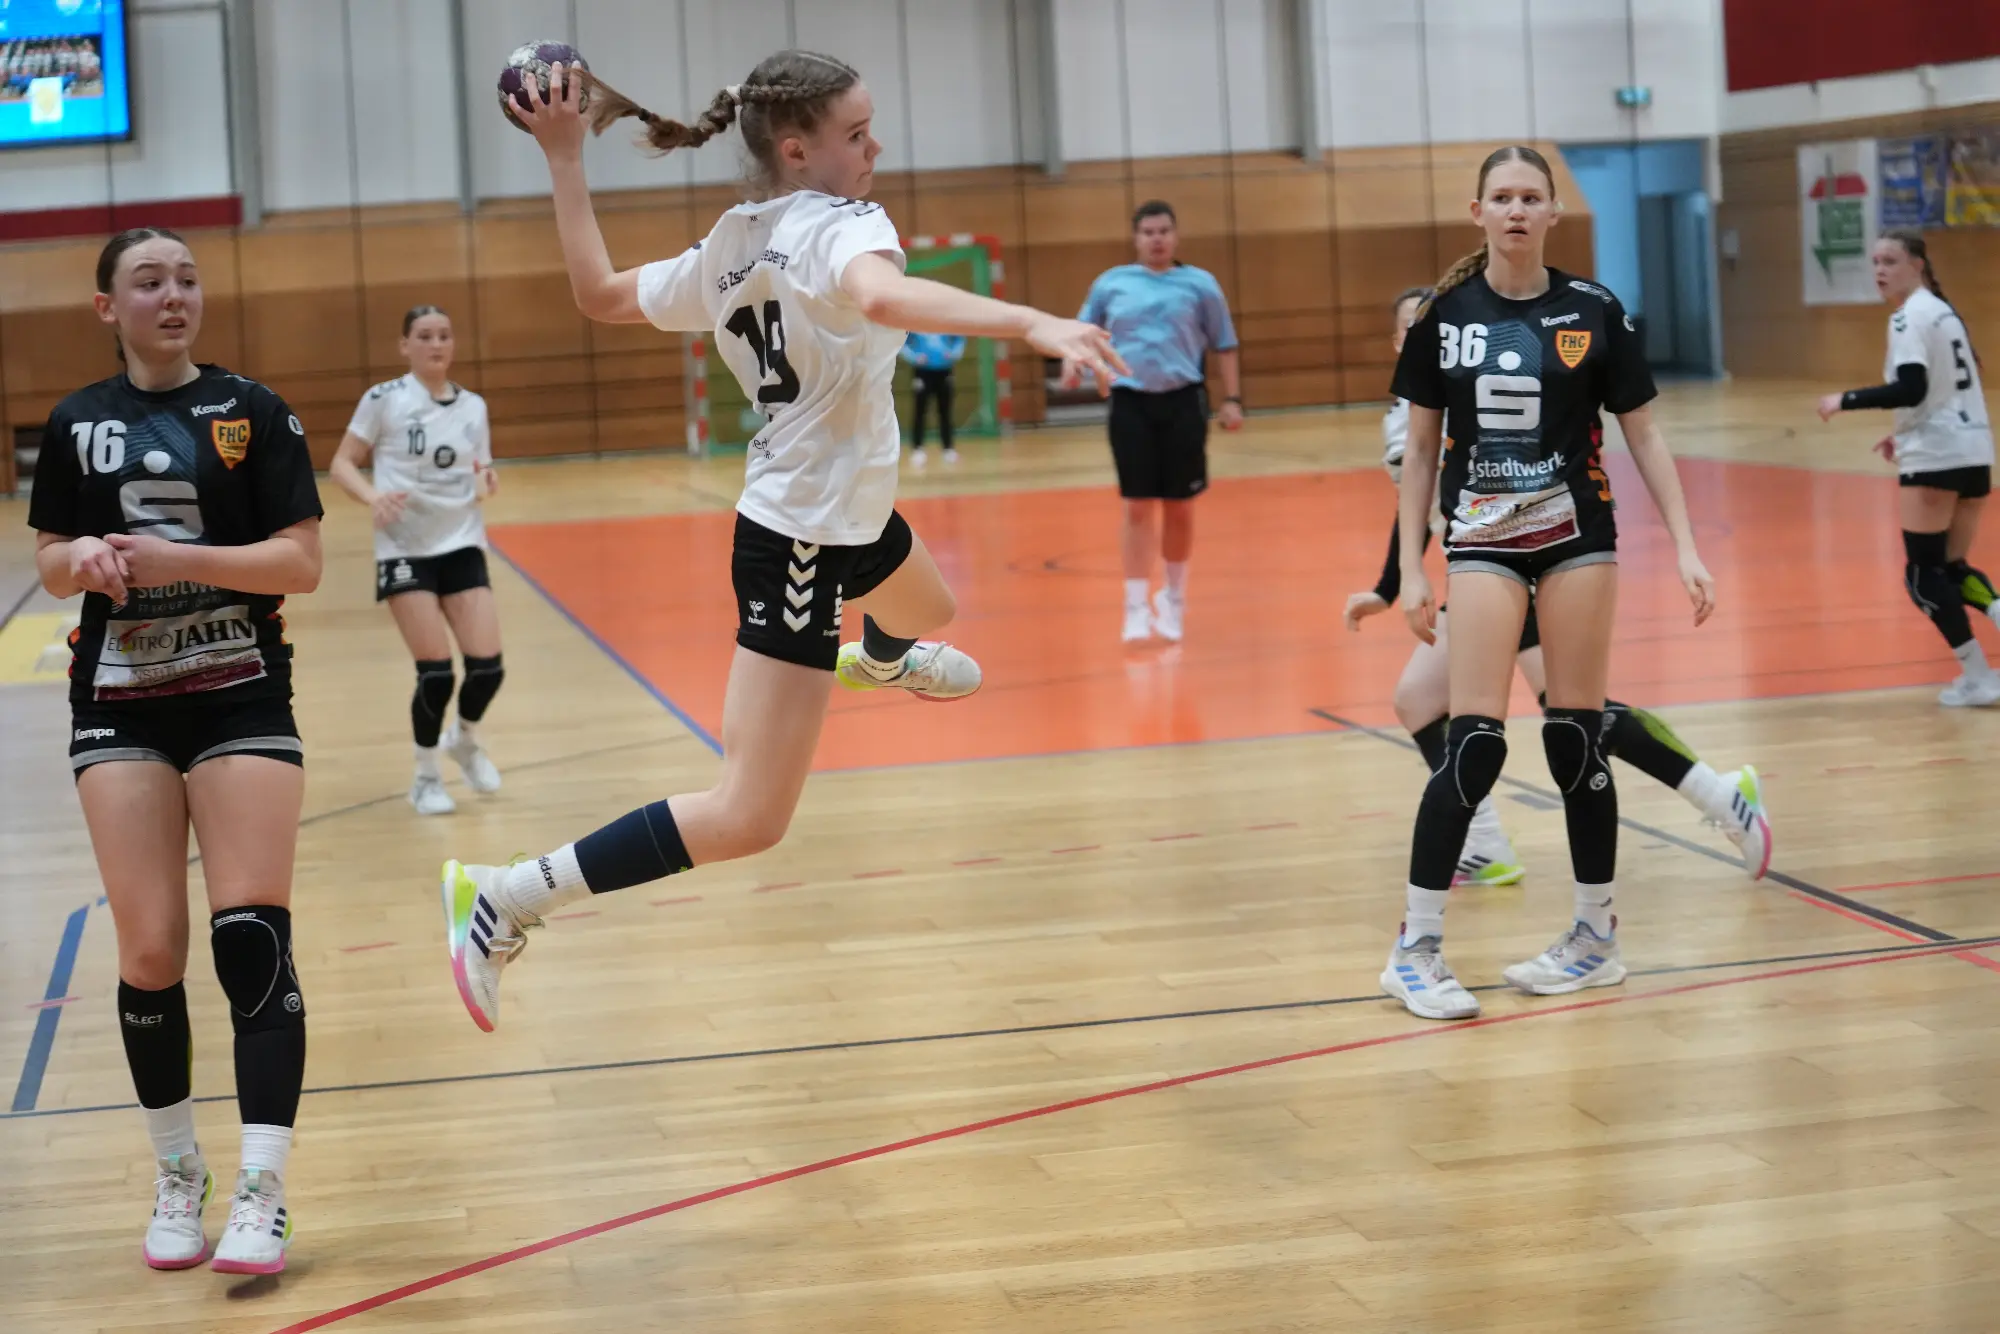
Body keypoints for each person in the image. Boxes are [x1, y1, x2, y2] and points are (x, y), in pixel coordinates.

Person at [438, 51, 1126, 1032]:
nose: (875, 148)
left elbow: (598, 293)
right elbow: (881, 297)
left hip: (847, 512)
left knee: (928, 607)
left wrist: (563, 158)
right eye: (857, 133)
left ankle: (875, 660)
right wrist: (1030, 323)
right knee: (747, 814)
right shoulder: (843, 224)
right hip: (804, 537)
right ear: (797, 150)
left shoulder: (730, 244)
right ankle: (506, 896)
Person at [29, 227, 322, 1272]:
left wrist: (176, 559)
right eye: (148, 281)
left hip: (240, 690)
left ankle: (262, 1190)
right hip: (121, 701)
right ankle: (177, 1172)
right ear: (108, 306)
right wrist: (83, 556)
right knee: (150, 951)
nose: (173, 295)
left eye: (187, 279)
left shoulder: (254, 409)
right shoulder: (77, 422)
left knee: (250, 937)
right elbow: (49, 562)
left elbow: (301, 562)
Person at [1374, 146, 1718, 1022]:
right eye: (1503, 197)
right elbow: (1421, 450)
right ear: (1479, 213)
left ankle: (1595, 938)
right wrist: (1409, 569)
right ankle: (1415, 950)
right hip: (1484, 543)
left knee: (1574, 737)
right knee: (1475, 742)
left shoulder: (1595, 310)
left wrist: (1685, 545)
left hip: (1579, 539)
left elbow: (1645, 434)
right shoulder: (1445, 317)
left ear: (1554, 212)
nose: (1517, 210)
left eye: (1532, 197)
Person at [1346, 287, 1770, 888]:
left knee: (1577, 717)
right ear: (1400, 342)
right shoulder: (1407, 414)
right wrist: (1389, 588)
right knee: (1420, 699)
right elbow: (1418, 510)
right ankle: (1485, 843)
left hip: (1513, 566)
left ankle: (1721, 796)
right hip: (1475, 573)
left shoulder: (1466, 394)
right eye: (1412, 327)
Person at [329, 305, 505, 814]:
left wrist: (487, 479)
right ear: (405, 345)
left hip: (462, 541)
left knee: (488, 669)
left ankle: (464, 740)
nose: (436, 344)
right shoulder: (383, 399)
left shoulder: (473, 406)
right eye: (424, 336)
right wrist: (372, 497)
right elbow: (342, 464)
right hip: (405, 547)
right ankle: (426, 776)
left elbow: (481, 467)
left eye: (444, 335)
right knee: (437, 674)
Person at [1817, 229, 1998, 708]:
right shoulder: (1943, 311)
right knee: (1951, 569)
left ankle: (1979, 677)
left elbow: (1912, 388)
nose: (1880, 270)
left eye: (1891, 261)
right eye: (1876, 262)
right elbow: (1945, 391)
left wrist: (1844, 399)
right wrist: (1903, 432)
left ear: (1918, 265)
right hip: (1975, 453)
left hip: (1936, 456)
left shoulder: (1908, 317)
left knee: (1923, 576)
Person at [1077, 201, 1243, 644]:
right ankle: (1135, 605)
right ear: (1136, 237)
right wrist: (1077, 365)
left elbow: (1224, 343)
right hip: (1131, 402)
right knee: (1136, 505)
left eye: (1164, 231)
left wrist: (1232, 399)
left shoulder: (1200, 284)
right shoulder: (1111, 283)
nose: (1157, 239)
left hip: (1183, 401)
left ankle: (1173, 598)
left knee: (1179, 506)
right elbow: (1082, 333)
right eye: (1148, 232)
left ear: (1175, 235)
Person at [900, 330, 965, 467]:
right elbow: (902, 344)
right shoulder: (916, 325)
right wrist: (915, 357)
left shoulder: (947, 324)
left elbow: (960, 339)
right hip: (922, 371)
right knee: (920, 411)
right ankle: (917, 449)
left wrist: (953, 354)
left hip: (944, 370)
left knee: (945, 411)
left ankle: (948, 449)